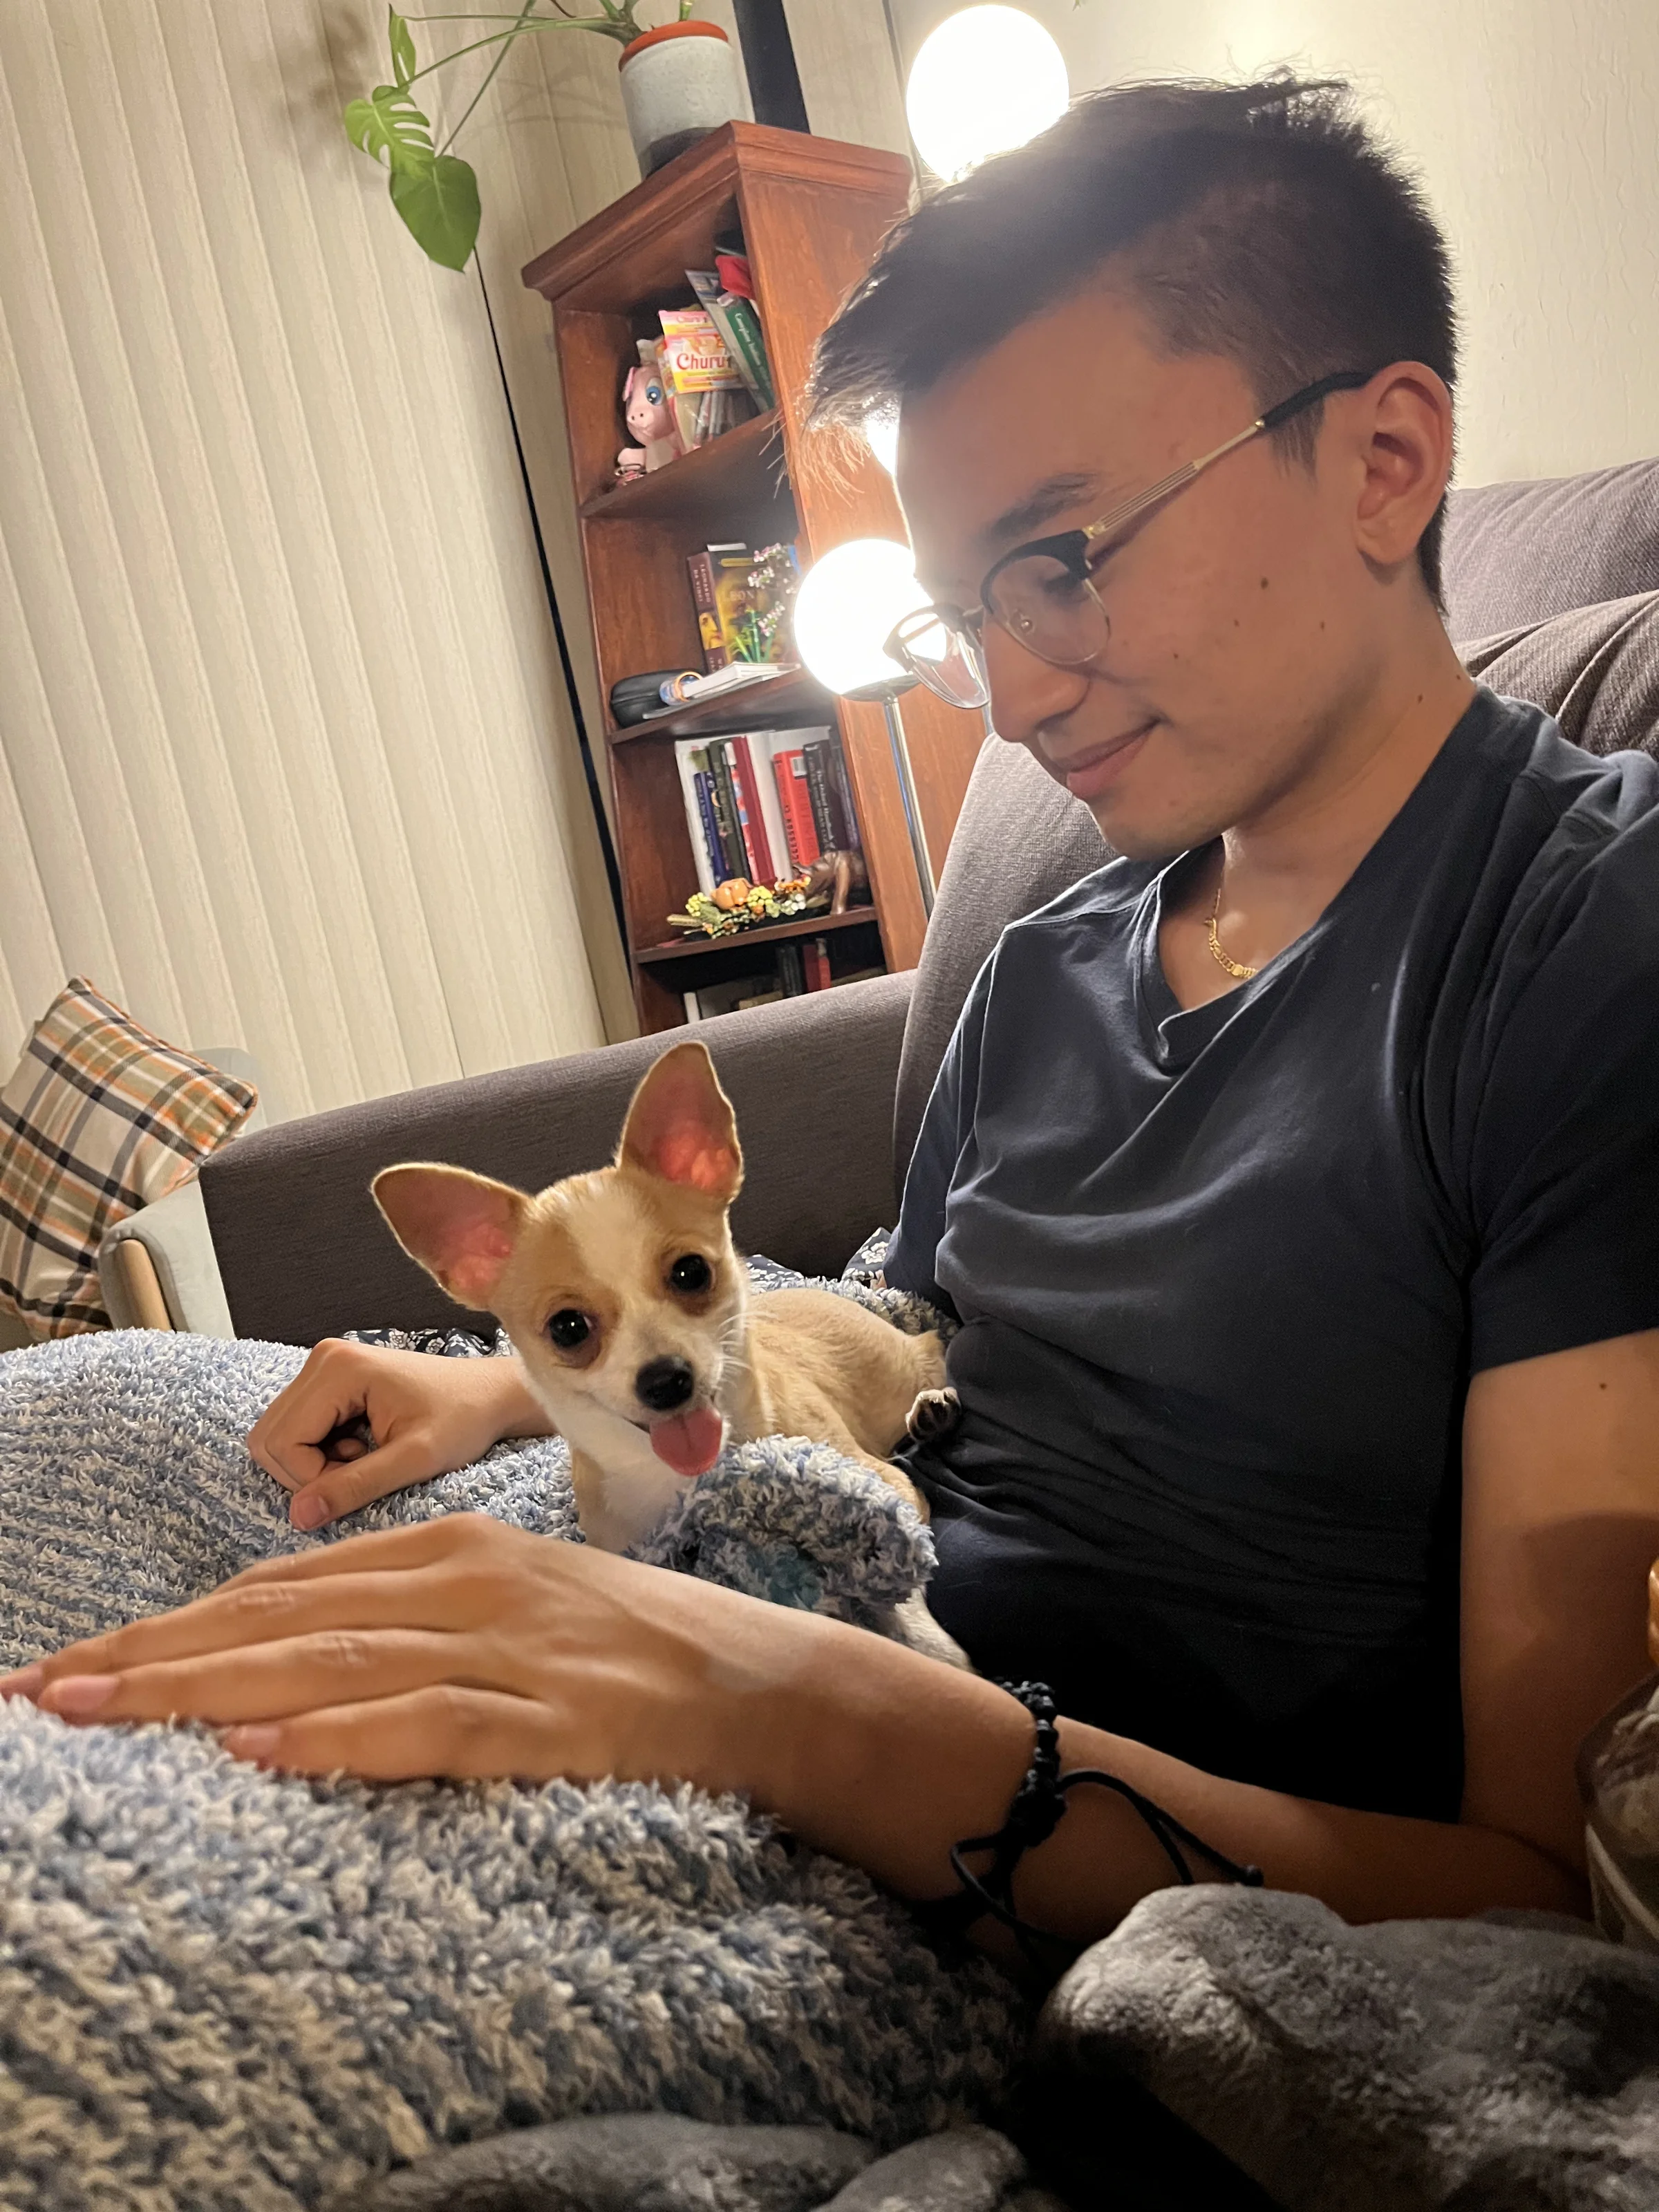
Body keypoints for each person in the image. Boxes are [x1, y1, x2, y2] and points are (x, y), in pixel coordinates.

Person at [8, 76, 1659, 1950]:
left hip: (929, 1793)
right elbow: (891, 1327)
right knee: (59, 1420)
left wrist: (771, 1706)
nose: (1012, 695)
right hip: (757, 1564)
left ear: (1381, 460)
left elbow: (1545, 1903)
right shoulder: (1054, 965)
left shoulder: (1582, 939)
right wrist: (507, 1388)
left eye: (1063, 560)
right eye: (971, 611)